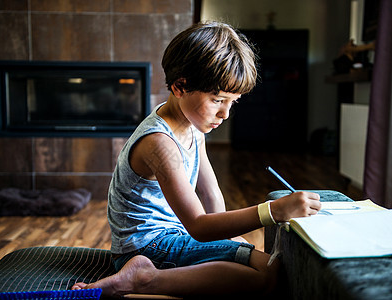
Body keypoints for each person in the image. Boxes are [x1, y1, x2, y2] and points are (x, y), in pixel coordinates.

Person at [72, 21, 321, 297]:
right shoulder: (159, 144)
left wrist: (229, 241)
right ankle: (144, 279)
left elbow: (210, 193)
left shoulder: (190, 124)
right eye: (217, 100)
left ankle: (152, 274)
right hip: (148, 247)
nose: (225, 114)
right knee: (270, 273)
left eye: (233, 102)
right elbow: (199, 226)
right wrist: (272, 211)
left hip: (174, 238)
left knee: (248, 252)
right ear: (180, 86)